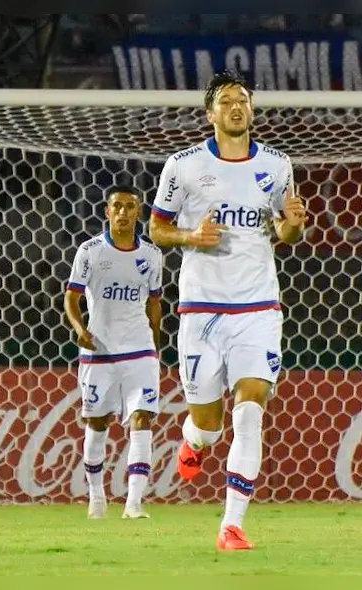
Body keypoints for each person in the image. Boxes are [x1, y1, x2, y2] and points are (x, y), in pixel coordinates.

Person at [149, 69, 307, 550]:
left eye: (243, 100)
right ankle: (193, 440)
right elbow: (156, 230)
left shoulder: (278, 166)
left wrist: (294, 228)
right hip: (201, 311)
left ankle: (231, 525)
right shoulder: (183, 166)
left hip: (259, 307)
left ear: (251, 110)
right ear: (210, 113)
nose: (236, 106)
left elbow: (285, 234)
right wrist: (190, 237)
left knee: (250, 412)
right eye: (226, 100)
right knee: (210, 426)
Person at [65, 187, 163, 520]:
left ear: (139, 213)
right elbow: (71, 298)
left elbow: (154, 303)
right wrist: (80, 331)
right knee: (96, 423)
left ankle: (134, 503)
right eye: (116, 207)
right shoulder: (89, 252)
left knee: (142, 418)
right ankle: (96, 497)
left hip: (139, 350)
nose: (122, 212)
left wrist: (156, 344)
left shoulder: (151, 256)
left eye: (129, 207)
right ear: (107, 212)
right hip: (100, 350)